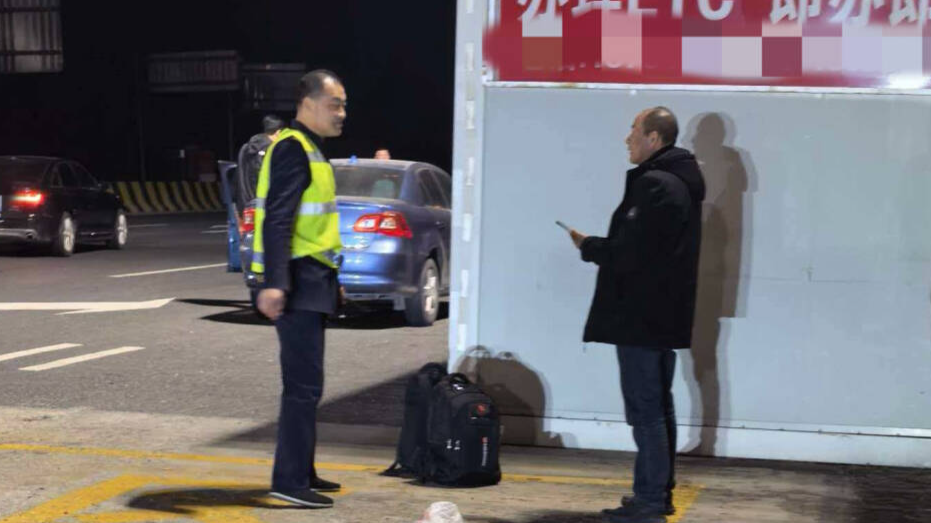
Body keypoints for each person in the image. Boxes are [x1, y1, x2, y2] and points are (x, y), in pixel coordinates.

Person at [565, 107, 705, 523]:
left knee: (646, 411)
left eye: (634, 131)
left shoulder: (657, 184)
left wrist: (589, 246)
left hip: (642, 316)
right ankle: (655, 494)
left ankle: (649, 502)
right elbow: (647, 248)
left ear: (654, 138)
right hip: (660, 314)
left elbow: (631, 254)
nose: (627, 138)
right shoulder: (679, 182)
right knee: (658, 408)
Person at [251, 70, 347, 509]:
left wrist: (334, 282)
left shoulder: (311, 148)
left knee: (310, 384)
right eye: (334, 104)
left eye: (343, 105)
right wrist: (274, 284)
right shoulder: (293, 148)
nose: (341, 113)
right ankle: (288, 481)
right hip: (297, 281)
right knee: (302, 386)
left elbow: (316, 227)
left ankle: (302, 471)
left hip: (314, 279)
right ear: (308, 103)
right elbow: (278, 219)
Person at [236, 114, 285, 210]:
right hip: (261, 203)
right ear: (278, 132)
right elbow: (262, 176)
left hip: (245, 202)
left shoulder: (246, 147)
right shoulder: (269, 150)